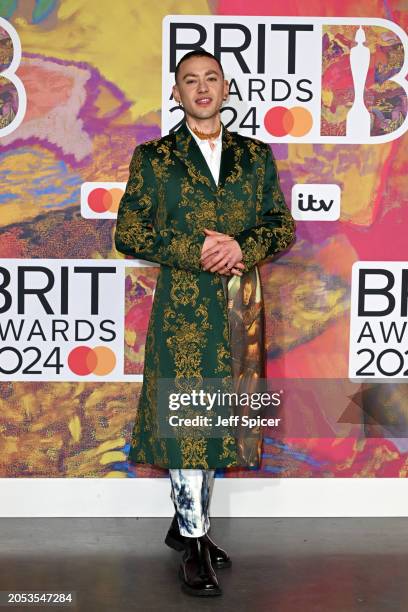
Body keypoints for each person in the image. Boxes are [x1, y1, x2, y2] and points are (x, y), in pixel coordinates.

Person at [114, 49, 296, 597]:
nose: (201, 88)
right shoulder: (154, 158)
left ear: (225, 88)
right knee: (187, 421)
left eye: (210, 79)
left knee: (219, 419)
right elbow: (130, 231)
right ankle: (193, 544)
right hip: (185, 309)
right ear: (176, 93)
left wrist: (242, 245)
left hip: (241, 304)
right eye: (189, 81)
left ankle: (189, 525)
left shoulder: (256, 156)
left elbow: (280, 225)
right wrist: (200, 249)